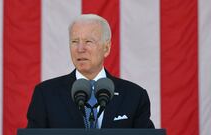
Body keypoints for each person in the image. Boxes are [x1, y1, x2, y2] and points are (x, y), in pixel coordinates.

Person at [27, 14, 155, 128]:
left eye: (88, 41)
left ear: (106, 48)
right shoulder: (45, 94)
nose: (80, 49)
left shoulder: (134, 96)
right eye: (74, 41)